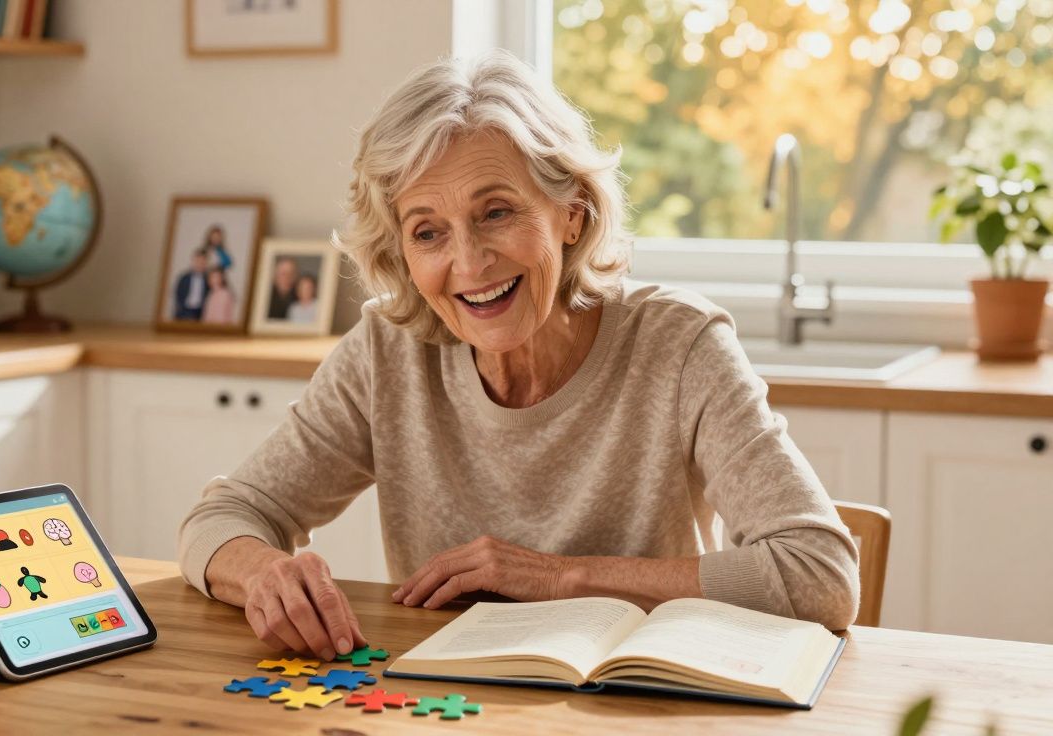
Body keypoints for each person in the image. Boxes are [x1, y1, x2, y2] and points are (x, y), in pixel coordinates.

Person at [177, 50, 859, 664]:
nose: (468, 263)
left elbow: (818, 574)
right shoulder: (388, 354)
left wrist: (560, 578)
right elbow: (222, 519)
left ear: (573, 213)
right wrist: (265, 571)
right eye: (428, 232)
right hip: (449, 709)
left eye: (496, 212)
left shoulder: (680, 346)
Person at [173, 249, 210, 320]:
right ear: (193, 261)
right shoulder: (184, 277)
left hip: (199, 313)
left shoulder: (207, 279)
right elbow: (178, 295)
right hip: (184, 312)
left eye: (203, 261)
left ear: (206, 263)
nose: (200, 264)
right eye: (198, 261)